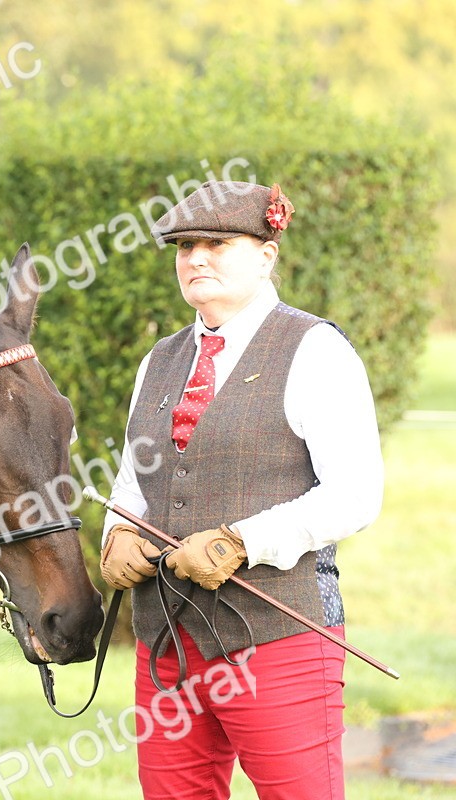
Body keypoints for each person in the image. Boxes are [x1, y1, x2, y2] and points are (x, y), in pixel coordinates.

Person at [99, 180, 383, 799]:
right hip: (167, 642)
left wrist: (239, 542)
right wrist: (117, 530)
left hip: (279, 638)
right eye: (184, 246)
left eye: (218, 243)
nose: (196, 258)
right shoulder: (159, 360)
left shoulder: (316, 350)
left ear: (265, 254)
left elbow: (356, 493)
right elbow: (134, 480)